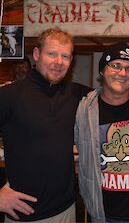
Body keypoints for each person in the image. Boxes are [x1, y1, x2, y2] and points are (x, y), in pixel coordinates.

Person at [0, 28, 90, 222]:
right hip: (23, 215)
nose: (58, 62)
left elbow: (116, 95)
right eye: (51, 54)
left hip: (65, 211)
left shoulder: (75, 94)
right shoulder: (9, 95)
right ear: (36, 54)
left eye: (65, 56)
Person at [74, 42, 129, 222]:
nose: (122, 73)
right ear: (102, 71)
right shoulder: (84, 109)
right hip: (102, 214)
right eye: (116, 66)